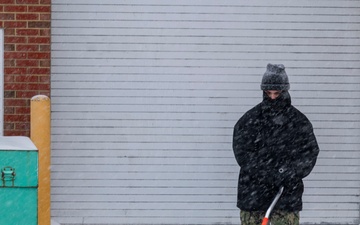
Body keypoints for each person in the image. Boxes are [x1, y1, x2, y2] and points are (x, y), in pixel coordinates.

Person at [232, 64, 320, 225]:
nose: (272, 97)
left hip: (286, 195)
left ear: (285, 91)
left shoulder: (298, 122)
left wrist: (288, 172)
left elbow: (309, 152)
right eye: (268, 93)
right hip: (253, 195)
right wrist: (265, 171)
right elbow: (242, 153)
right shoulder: (250, 120)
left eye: (277, 93)